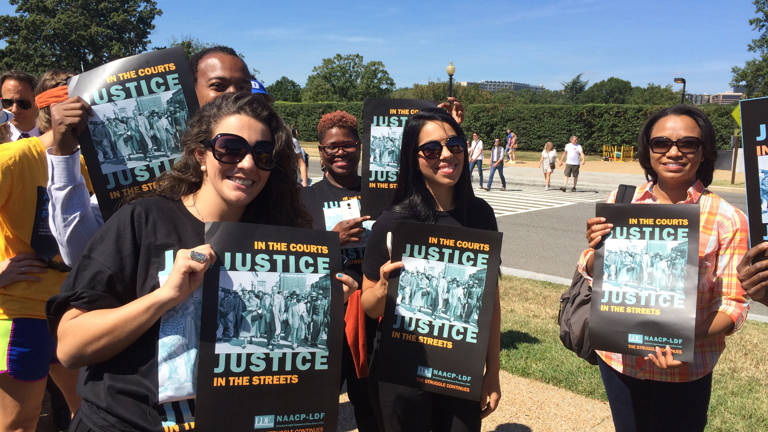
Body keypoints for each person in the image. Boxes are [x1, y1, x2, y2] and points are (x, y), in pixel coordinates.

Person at [46, 92, 313, 430]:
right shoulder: (144, 220)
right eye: (231, 148)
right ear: (201, 155)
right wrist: (164, 297)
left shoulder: (279, 240)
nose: (247, 164)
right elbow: (70, 347)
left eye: (262, 155)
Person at [579, 105, 748, 432]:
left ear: (703, 153)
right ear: (648, 150)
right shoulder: (622, 199)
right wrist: (596, 253)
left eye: (688, 144)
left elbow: (734, 305)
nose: (674, 151)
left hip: (685, 368)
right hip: (619, 361)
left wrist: (679, 337)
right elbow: (590, 269)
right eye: (661, 143)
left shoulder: (727, 218)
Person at [47, 45, 256, 267]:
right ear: (189, 92)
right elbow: (79, 251)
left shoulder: (259, 167)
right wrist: (64, 155)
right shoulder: (146, 175)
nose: (233, 95)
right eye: (218, 86)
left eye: (243, 87)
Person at [361, 108, 501, 431]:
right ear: (414, 158)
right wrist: (383, 288)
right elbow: (369, 307)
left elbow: (490, 301)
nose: (446, 155)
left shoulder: (480, 215)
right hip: (402, 373)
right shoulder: (393, 221)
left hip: (459, 370)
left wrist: (492, 371)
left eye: (454, 144)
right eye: (431, 149)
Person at [0, 70, 84, 432]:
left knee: (94, 414)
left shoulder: (91, 162)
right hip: (21, 315)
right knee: (21, 423)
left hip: (77, 313)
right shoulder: (13, 159)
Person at [301, 110, 380, 431]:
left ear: (360, 147)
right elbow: (293, 257)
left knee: (373, 410)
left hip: (374, 321)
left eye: (347, 145)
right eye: (331, 147)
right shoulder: (305, 200)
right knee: (316, 409)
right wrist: (332, 240)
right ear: (320, 151)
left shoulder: (380, 194)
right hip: (325, 321)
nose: (339, 152)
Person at [1, 71, 40, 141]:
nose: (14, 110)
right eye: (7, 103)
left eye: (22, 103)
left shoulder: (53, 136)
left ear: (36, 101)